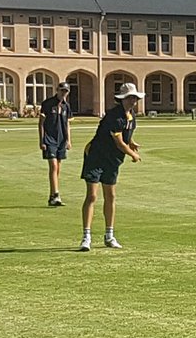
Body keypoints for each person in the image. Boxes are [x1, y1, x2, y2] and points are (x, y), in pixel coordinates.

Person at [79, 82, 143, 250]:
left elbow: (126, 135)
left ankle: (109, 235)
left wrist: (132, 142)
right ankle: (86, 237)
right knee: (92, 196)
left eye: (134, 98)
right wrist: (133, 154)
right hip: (96, 157)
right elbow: (119, 143)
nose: (133, 101)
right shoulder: (114, 116)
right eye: (129, 98)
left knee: (111, 196)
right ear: (122, 99)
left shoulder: (131, 115)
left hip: (112, 160)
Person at [39, 81, 73, 206]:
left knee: (57, 168)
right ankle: (56, 194)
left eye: (66, 91)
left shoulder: (66, 106)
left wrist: (69, 140)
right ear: (57, 90)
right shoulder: (47, 104)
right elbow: (41, 123)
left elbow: (67, 124)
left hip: (61, 140)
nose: (63, 93)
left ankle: (52, 195)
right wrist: (42, 140)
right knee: (53, 166)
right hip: (49, 139)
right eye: (62, 90)